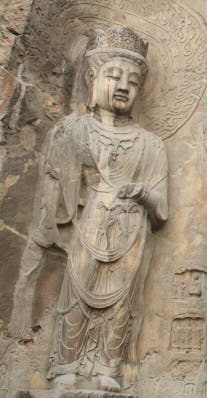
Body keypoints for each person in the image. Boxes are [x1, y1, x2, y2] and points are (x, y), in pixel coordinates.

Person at [9, 26, 168, 392]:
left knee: (122, 305)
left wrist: (144, 193)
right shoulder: (72, 131)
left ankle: (107, 369)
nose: (124, 86)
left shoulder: (151, 144)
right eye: (114, 76)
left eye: (133, 81)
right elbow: (53, 196)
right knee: (76, 298)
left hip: (130, 231)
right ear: (92, 79)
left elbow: (161, 210)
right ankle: (64, 366)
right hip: (88, 225)